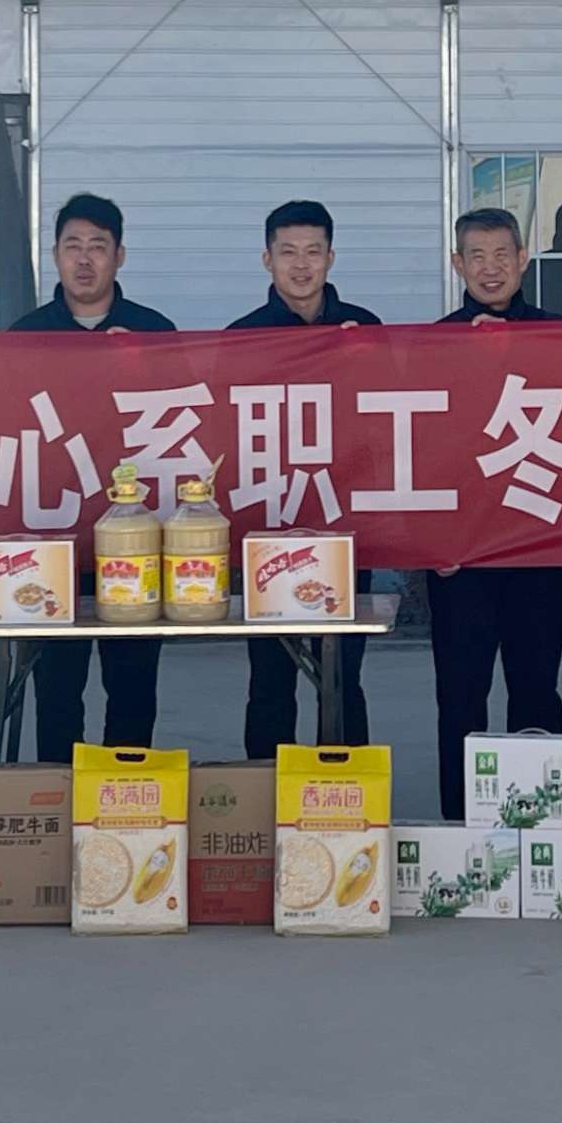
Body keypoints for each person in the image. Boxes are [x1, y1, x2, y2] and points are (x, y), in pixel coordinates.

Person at [5, 192, 175, 756]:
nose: (84, 259)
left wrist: (141, 367)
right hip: (53, 539)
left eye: (98, 247)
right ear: (55, 255)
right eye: (72, 246)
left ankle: (127, 792)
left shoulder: (155, 333)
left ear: (119, 256)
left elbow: (187, 427)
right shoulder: (24, 338)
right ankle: (61, 795)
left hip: (135, 538)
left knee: (133, 685)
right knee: (57, 689)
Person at [419, 207, 562, 816]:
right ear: (458, 264)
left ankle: (541, 820)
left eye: (502, 254)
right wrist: (431, 542)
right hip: (462, 557)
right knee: (461, 696)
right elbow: (419, 451)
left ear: (523, 259)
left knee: (536, 691)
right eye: (476, 256)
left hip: (540, 548)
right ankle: (461, 824)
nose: (490, 268)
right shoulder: (434, 345)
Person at [227, 199, 379, 756]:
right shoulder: (240, 339)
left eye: (313, 251)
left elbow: (389, 427)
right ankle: (267, 792)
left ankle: (342, 792)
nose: (301, 264)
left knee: (341, 674)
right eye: (288, 251)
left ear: (331, 258)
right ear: (266, 259)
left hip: (344, 525)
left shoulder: (364, 331)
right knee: (271, 677)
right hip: (269, 525)